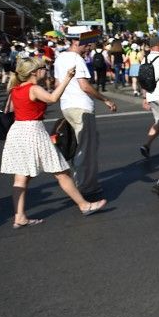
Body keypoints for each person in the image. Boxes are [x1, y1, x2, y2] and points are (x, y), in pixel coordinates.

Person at [0, 58, 106, 227]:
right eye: (43, 67)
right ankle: (84, 205)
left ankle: (19, 216)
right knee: (61, 172)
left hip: (17, 131)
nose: (46, 69)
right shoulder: (33, 88)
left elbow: (12, 110)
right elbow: (52, 98)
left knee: (20, 179)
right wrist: (67, 78)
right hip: (33, 131)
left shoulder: (15, 89)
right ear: (34, 72)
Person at [53, 32, 117, 202]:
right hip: (81, 107)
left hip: (67, 106)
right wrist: (106, 99)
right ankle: (86, 187)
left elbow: (57, 84)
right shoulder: (76, 59)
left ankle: (83, 182)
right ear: (76, 42)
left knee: (81, 145)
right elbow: (85, 86)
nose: (89, 48)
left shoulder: (59, 58)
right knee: (85, 149)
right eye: (87, 45)